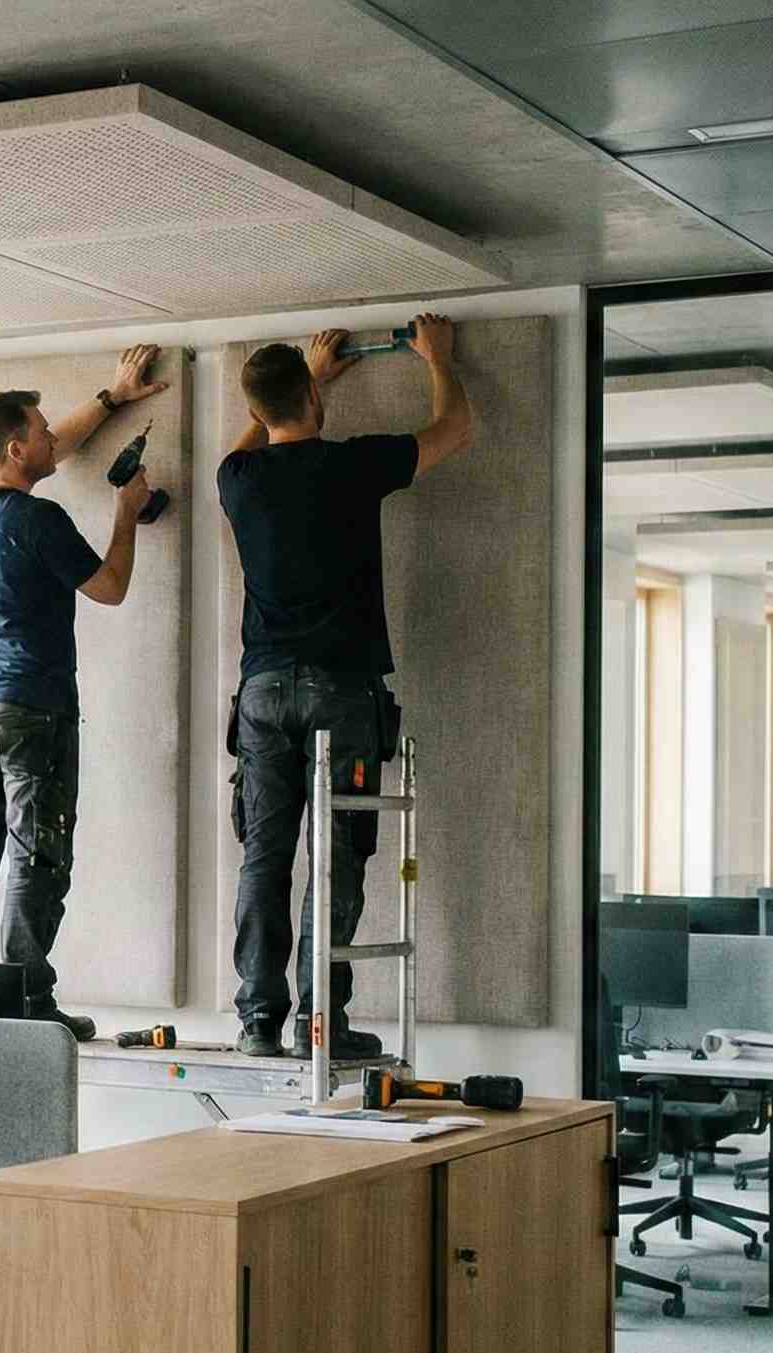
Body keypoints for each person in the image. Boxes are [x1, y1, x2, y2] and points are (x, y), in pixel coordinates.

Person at [220, 315, 474, 1059]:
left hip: (261, 691)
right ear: (310, 397)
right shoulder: (353, 464)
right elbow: (454, 429)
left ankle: (257, 1021)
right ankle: (319, 1024)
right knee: (334, 858)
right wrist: (438, 359)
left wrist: (303, 383)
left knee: (264, 856)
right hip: (339, 690)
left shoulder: (238, 479)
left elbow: (247, 441)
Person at [0, 344, 170, 1040]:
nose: (49, 437)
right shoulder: (39, 521)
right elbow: (110, 589)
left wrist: (113, 396)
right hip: (33, 710)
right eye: (37, 430)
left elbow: (56, 444)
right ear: (15, 447)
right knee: (37, 856)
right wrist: (126, 512)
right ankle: (28, 1002)